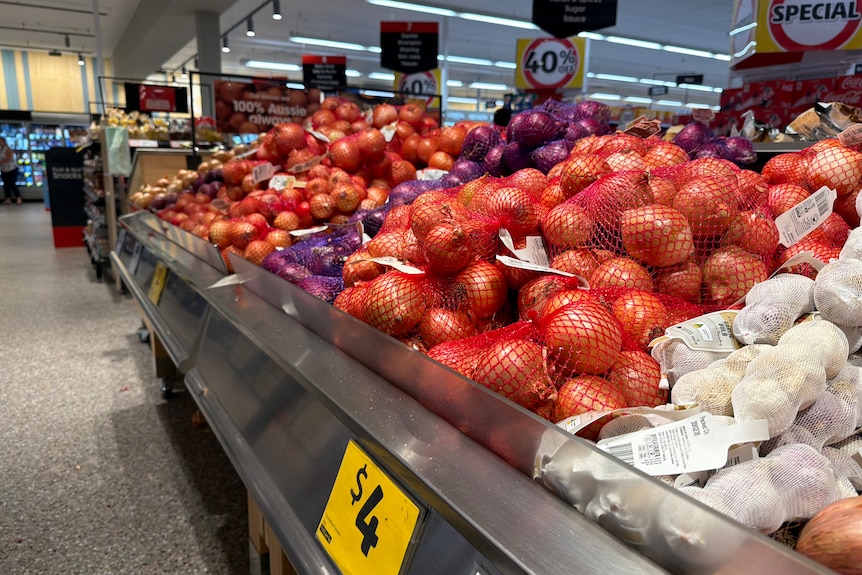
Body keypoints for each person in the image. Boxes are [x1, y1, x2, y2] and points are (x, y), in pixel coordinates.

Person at [0, 136, 22, 205]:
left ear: (4, 141)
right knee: (6, 185)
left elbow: (8, 158)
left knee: (12, 184)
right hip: (4, 170)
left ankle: (18, 198)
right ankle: (8, 199)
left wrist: (1, 161)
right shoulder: (1, 150)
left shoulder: (8, 149)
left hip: (12, 169)